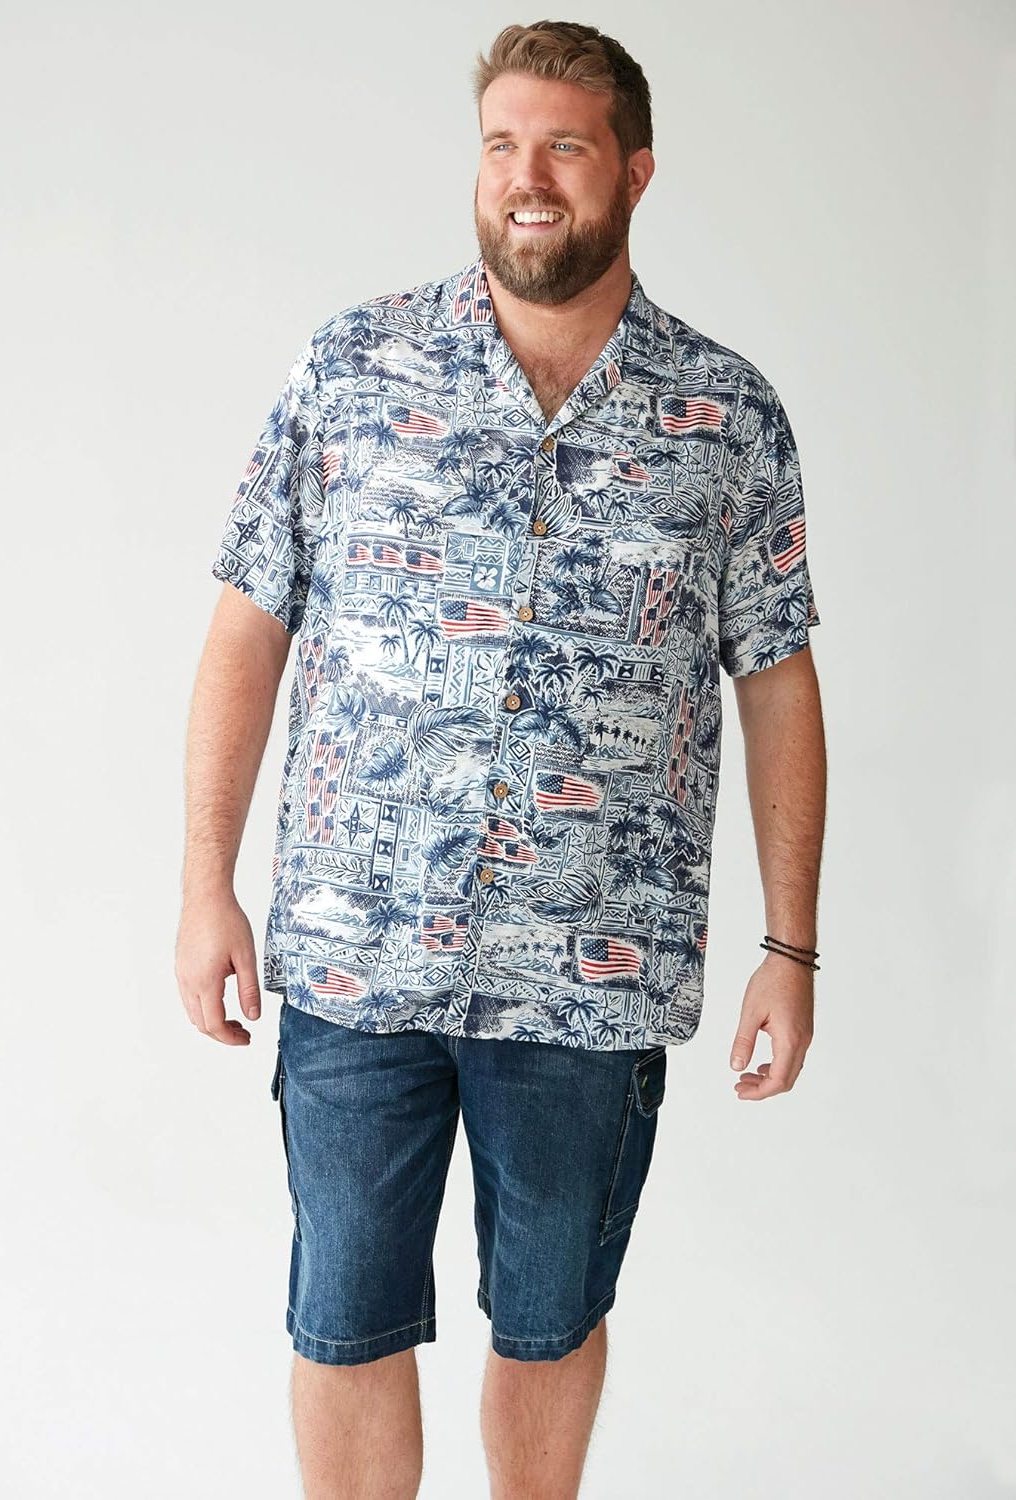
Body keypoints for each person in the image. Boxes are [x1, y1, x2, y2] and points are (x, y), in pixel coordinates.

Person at [175, 18, 827, 1499]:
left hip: (592, 973)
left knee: (549, 1321)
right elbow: (245, 631)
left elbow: (778, 684)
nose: (525, 177)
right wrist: (206, 883)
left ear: (634, 172)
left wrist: (790, 947)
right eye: (500, 145)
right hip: (357, 953)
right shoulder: (352, 370)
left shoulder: (726, 417)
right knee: (343, 1318)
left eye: (564, 147)